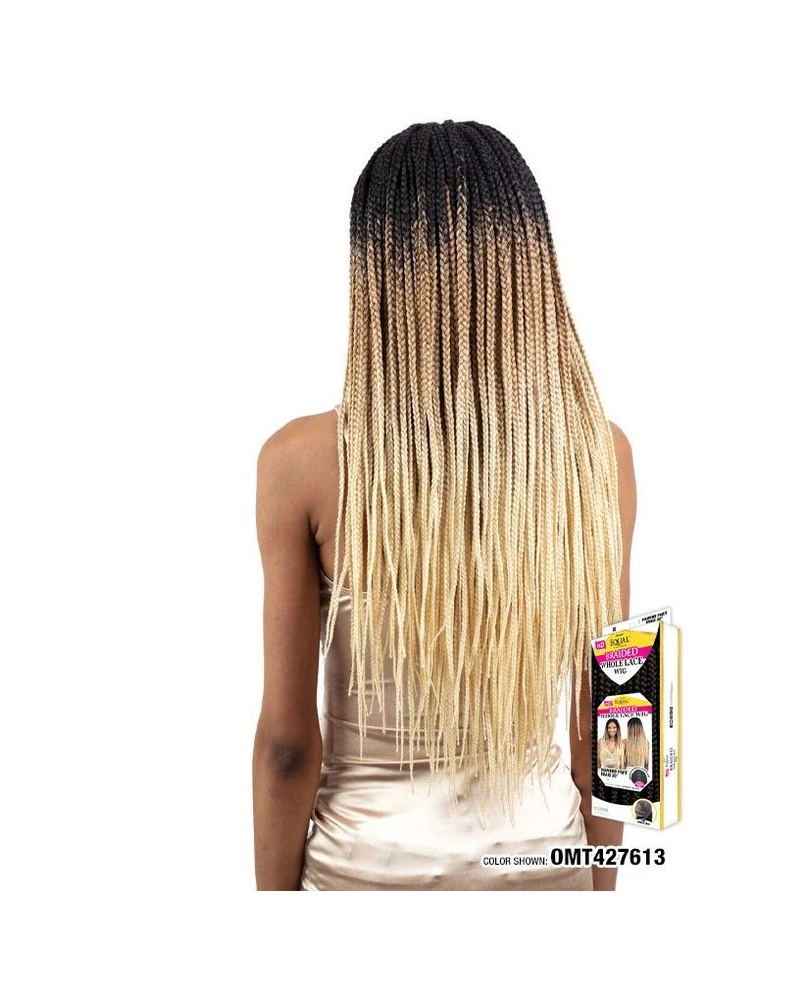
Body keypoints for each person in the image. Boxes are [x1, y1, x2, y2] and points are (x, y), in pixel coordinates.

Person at [252, 120, 637, 891]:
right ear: (531, 264)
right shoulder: (602, 455)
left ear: (375, 272)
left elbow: (287, 747)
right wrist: (598, 895)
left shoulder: (299, 462)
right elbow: (623, 717)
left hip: (364, 879)